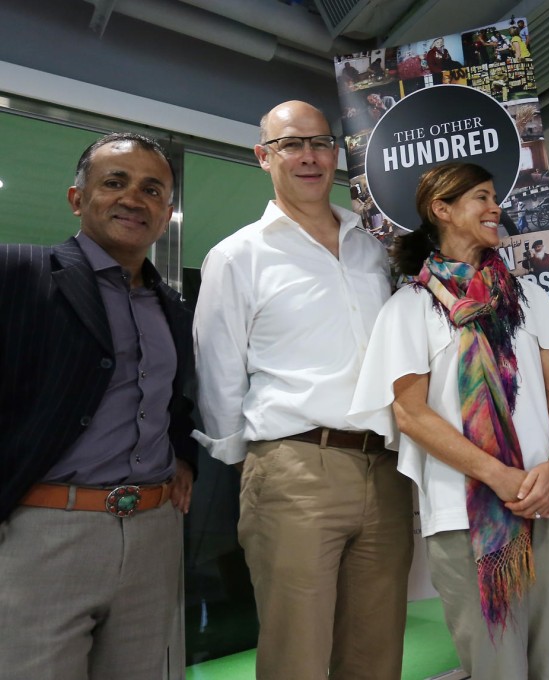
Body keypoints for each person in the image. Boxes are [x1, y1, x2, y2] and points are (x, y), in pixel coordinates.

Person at [193, 100, 412, 680]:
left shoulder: (375, 249)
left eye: (320, 143)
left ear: (336, 154)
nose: (309, 156)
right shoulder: (238, 256)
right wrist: (256, 464)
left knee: (377, 654)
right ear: (264, 156)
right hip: (293, 469)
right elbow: (218, 376)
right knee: (298, 658)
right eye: (292, 144)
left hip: (388, 471)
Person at [348, 162, 549, 678]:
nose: (495, 207)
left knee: (546, 663)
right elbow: (410, 415)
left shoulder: (526, 298)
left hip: (548, 501)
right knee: (495, 664)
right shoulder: (409, 308)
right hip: (466, 515)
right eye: (481, 197)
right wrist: (499, 476)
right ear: (442, 209)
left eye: (493, 196)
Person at [0, 132, 197, 677]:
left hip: (154, 532)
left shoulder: (173, 309)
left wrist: (182, 455)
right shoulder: (16, 273)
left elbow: (172, 402)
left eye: (153, 190)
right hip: (43, 531)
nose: (134, 198)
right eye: (115, 182)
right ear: (76, 198)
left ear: (166, 213)